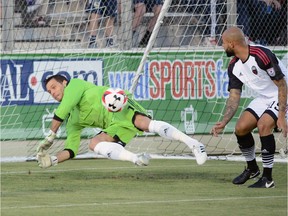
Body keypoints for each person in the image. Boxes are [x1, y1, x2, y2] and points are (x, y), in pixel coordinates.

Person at [36, 75, 207, 168]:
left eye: (54, 87)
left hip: (117, 105)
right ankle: (136, 159)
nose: (52, 92)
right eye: (49, 91)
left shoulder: (75, 84)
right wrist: (53, 159)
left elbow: (63, 109)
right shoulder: (73, 120)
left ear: (64, 83)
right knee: (94, 144)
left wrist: (51, 135)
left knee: (143, 123)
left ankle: (194, 144)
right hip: (114, 126)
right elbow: (71, 149)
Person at [211, 27, 287, 188]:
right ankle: (252, 169)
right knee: (241, 128)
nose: (222, 46)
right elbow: (234, 97)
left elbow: (282, 85)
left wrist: (281, 116)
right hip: (264, 97)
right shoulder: (233, 66)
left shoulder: (261, 55)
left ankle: (268, 178)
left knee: (264, 125)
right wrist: (224, 121)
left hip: (284, 92)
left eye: (223, 43)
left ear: (232, 43)